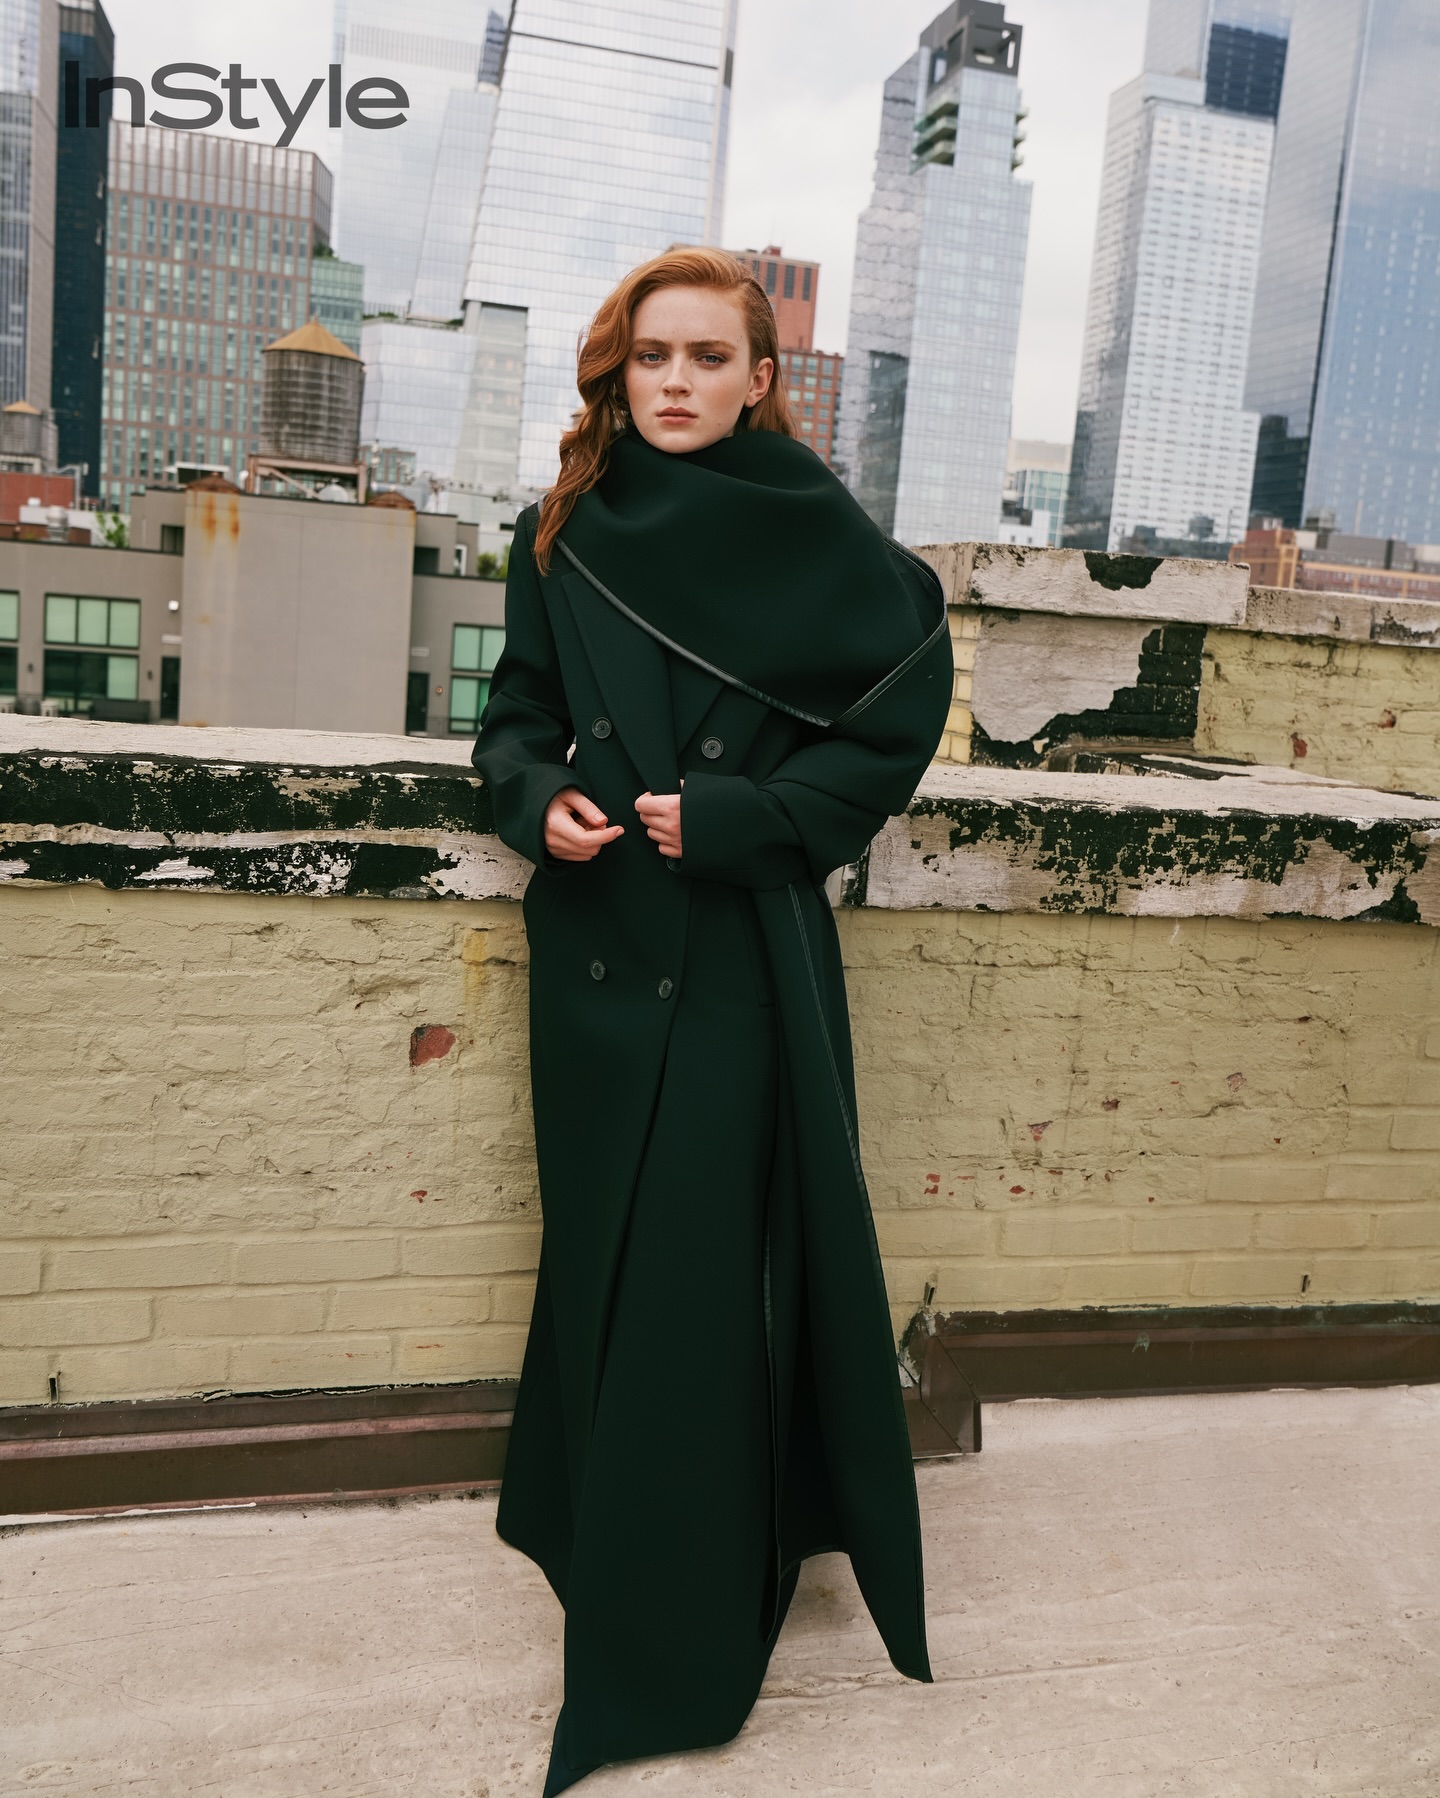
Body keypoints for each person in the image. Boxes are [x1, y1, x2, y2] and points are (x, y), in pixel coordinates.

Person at [472, 246, 952, 1794]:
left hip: (742, 953)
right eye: (650, 356)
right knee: (604, 1261)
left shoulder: (820, 531)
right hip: (601, 954)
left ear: (760, 378)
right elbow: (513, 719)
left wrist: (748, 818)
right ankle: (600, 1538)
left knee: (698, 1284)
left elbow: (894, 721)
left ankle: (667, 1632)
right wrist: (537, 800)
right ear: (617, 372)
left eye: (706, 357)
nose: (674, 381)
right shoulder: (561, 531)